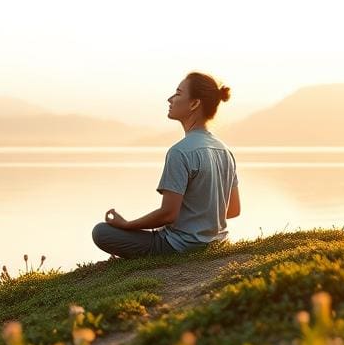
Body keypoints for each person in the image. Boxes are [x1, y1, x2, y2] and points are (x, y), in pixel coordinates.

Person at [91, 72, 240, 258]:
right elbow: (233, 210)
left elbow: (168, 214)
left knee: (101, 232)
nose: (170, 99)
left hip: (178, 246)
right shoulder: (225, 151)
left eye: (178, 93)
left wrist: (127, 225)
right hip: (217, 242)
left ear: (194, 103)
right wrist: (200, 223)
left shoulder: (180, 152)